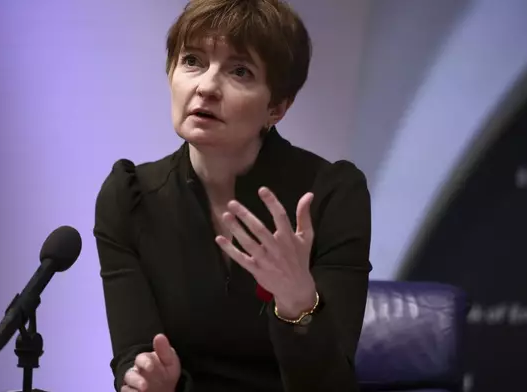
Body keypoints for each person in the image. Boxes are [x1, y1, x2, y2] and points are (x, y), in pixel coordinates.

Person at [94, 0, 372, 391]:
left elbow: (332, 385)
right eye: (192, 61)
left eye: (239, 70)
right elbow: (135, 355)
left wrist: (298, 301)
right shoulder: (131, 198)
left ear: (277, 107)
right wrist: (145, 381)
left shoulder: (330, 196)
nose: (206, 87)